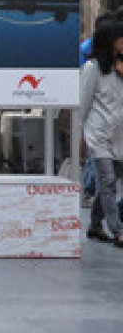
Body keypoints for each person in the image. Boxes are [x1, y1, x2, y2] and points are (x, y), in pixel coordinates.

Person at [80, 20, 123, 246]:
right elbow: (84, 102)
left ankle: (96, 224)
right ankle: (118, 230)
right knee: (108, 181)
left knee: (110, 181)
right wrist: (81, 134)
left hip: (118, 135)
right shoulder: (92, 69)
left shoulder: (120, 68)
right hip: (98, 134)